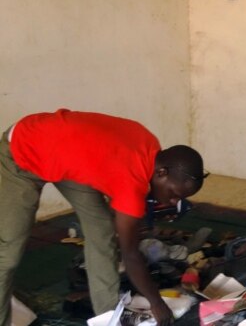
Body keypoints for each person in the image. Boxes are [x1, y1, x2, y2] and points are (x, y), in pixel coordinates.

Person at [0, 109, 208, 326]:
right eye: (174, 194)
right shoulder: (130, 184)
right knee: (8, 253)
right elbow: (130, 255)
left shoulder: (149, 144)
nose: (174, 202)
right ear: (162, 173)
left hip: (64, 154)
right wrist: (157, 303)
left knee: (101, 230)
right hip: (23, 149)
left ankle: (107, 317)